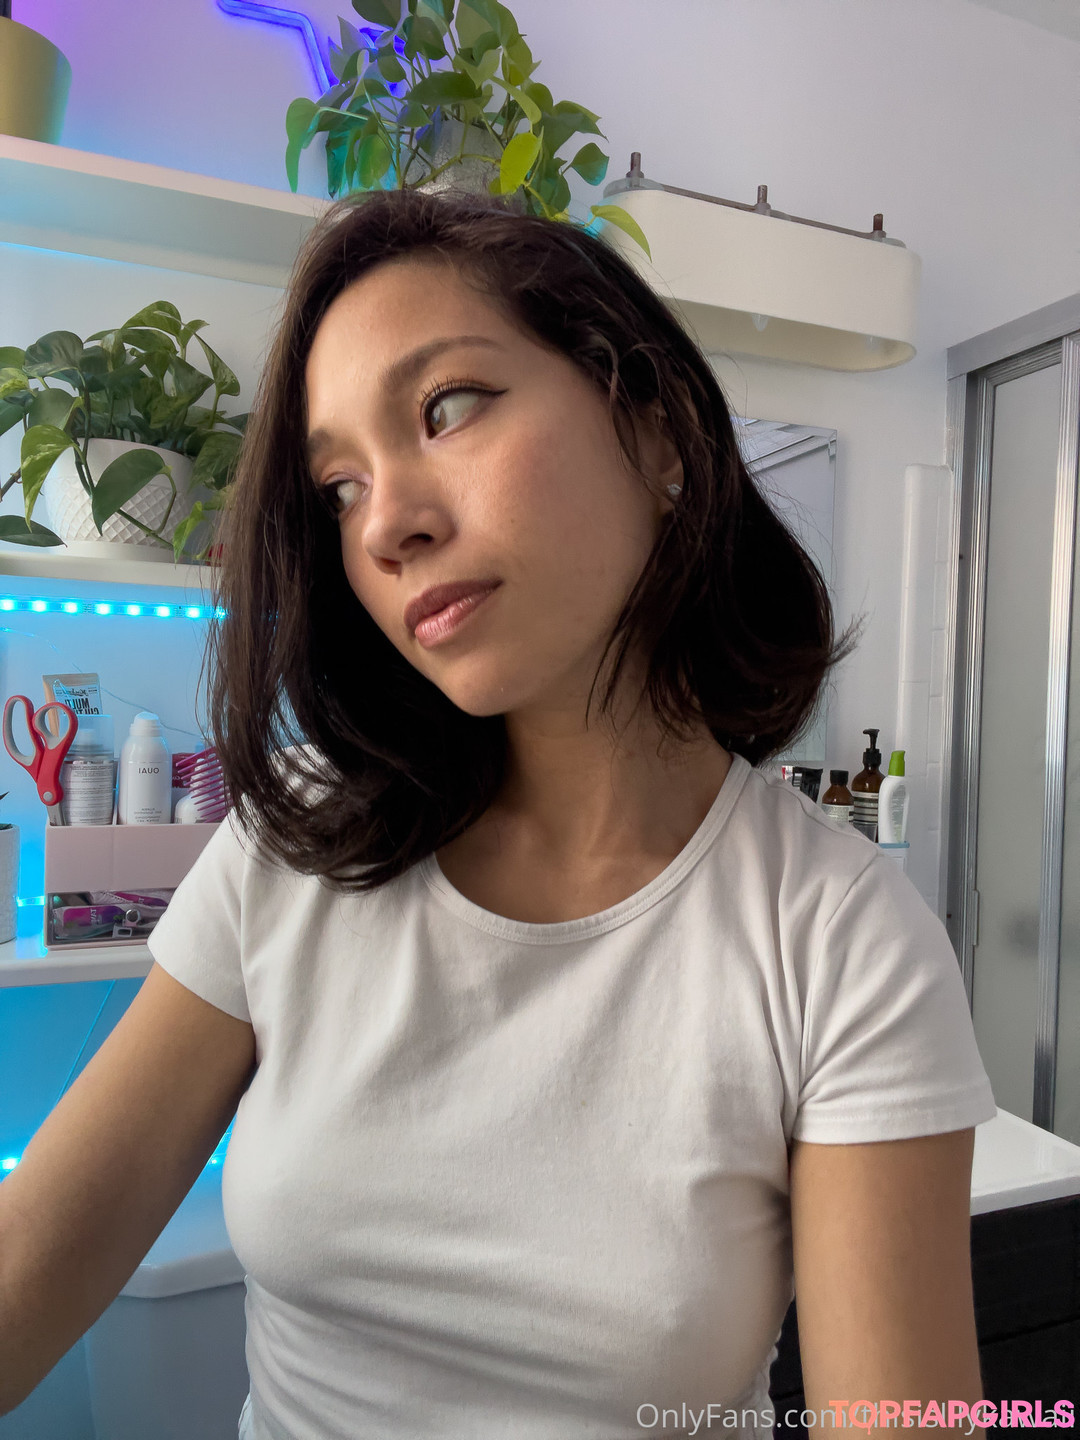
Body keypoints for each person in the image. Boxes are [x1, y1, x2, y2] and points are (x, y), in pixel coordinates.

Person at [14, 186, 995, 1439]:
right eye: (338, 488)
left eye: (448, 407)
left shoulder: (839, 938)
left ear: (656, 430)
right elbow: (34, 1254)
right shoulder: (298, 846)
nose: (387, 524)